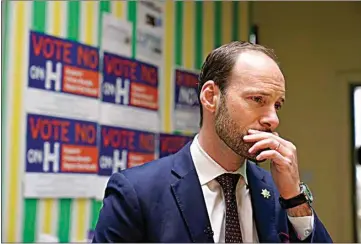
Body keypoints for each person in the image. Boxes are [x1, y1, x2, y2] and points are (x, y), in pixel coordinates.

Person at [92, 41, 332, 243]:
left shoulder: (279, 191)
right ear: (210, 97)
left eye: (277, 105)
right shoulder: (137, 193)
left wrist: (295, 200)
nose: (273, 119)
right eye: (258, 99)